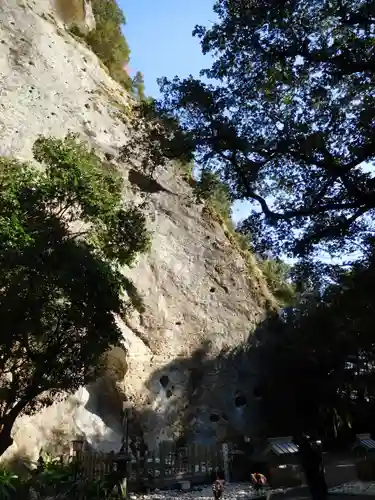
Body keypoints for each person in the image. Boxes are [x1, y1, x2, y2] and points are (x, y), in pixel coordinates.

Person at [293, 434, 327, 500]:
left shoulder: (305, 450)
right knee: (317, 487)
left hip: (312, 471)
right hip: (314, 471)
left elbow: (306, 461)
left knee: (316, 487)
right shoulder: (308, 449)